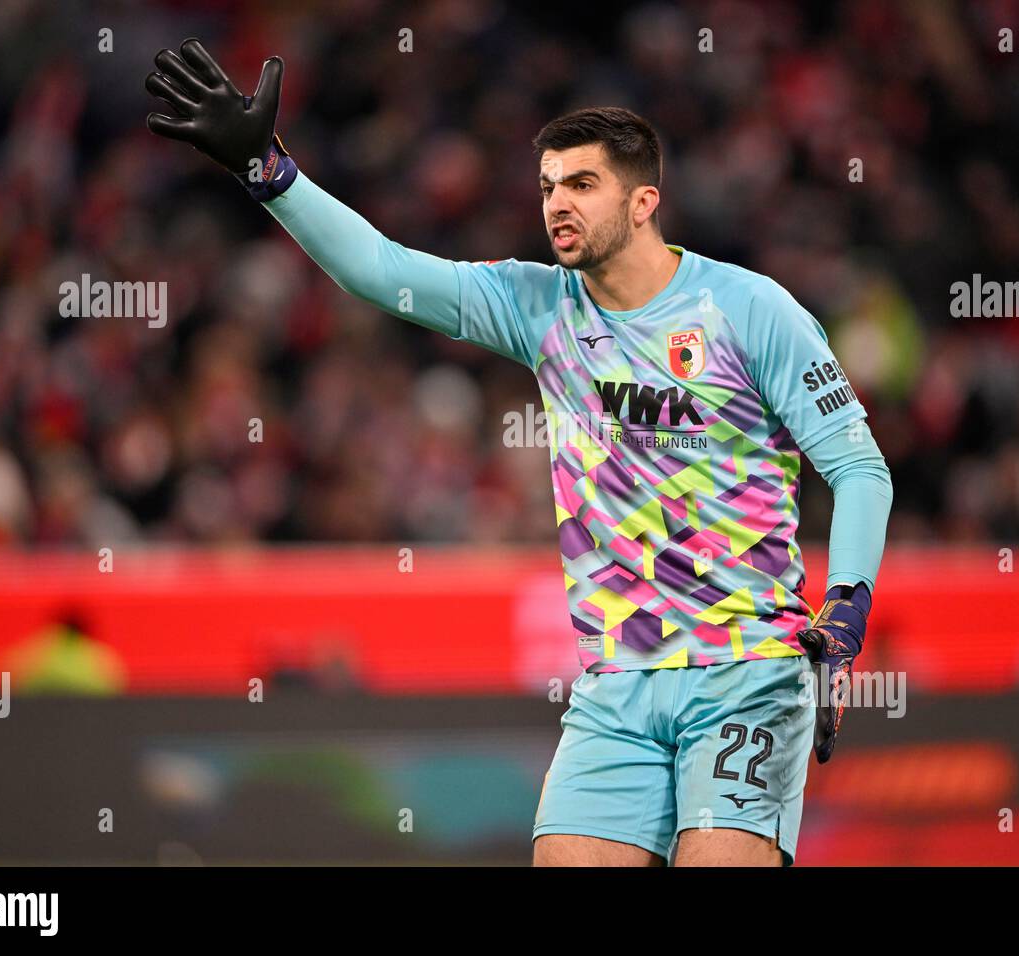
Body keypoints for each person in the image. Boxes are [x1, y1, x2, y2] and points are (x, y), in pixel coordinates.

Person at [144, 40, 893, 867]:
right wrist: (267, 171)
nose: (557, 205)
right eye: (547, 187)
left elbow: (859, 467)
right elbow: (378, 269)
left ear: (644, 201)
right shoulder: (538, 306)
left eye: (581, 184)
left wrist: (847, 614)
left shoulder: (751, 310)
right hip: (616, 685)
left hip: (745, 669)